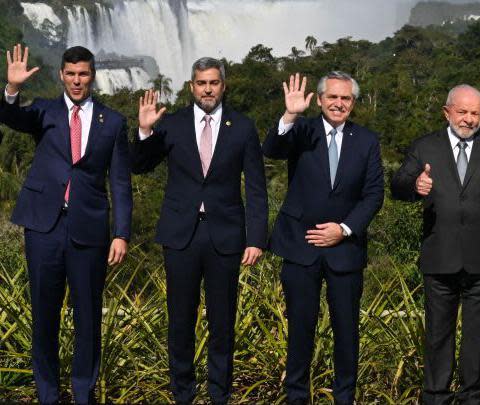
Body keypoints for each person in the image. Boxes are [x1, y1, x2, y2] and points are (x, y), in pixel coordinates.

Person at [131, 57, 268, 404]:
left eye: (214, 82)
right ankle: (183, 393)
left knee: (222, 323)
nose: (207, 89)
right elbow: (140, 166)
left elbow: (255, 187)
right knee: (180, 320)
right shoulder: (171, 124)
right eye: (201, 83)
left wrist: (256, 238)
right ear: (191, 86)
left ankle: (219, 394)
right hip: (180, 237)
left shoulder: (243, 127)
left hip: (225, 237)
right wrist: (145, 132)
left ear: (224, 85)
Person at [1, 44, 131, 404]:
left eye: (84, 74)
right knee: (44, 314)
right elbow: (11, 117)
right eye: (71, 74)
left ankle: (83, 393)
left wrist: (121, 233)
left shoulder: (113, 121)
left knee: (88, 316)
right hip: (43, 227)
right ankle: (47, 394)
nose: (77, 81)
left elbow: (120, 182)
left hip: (89, 230)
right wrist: (12, 90)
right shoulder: (43, 110)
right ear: (61, 74)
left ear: (92, 76)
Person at [390, 84, 480, 404]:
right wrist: (415, 185)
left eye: (475, 113)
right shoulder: (425, 147)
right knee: (438, 333)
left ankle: (473, 396)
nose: (468, 119)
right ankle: (435, 396)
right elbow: (397, 186)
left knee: (479, 335)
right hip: (440, 254)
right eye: (462, 112)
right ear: (447, 112)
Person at [263, 72, 384, 404]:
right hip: (300, 248)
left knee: (347, 332)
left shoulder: (367, 140)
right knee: (300, 329)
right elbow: (272, 148)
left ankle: (345, 397)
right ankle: (296, 397)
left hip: (345, 250)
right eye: (332, 97)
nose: (338, 103)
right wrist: (290, 114)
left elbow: (373, 195)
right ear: (319, 100)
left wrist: (343, 230)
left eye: (345, 98)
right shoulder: (301, 130)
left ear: (353, 103)